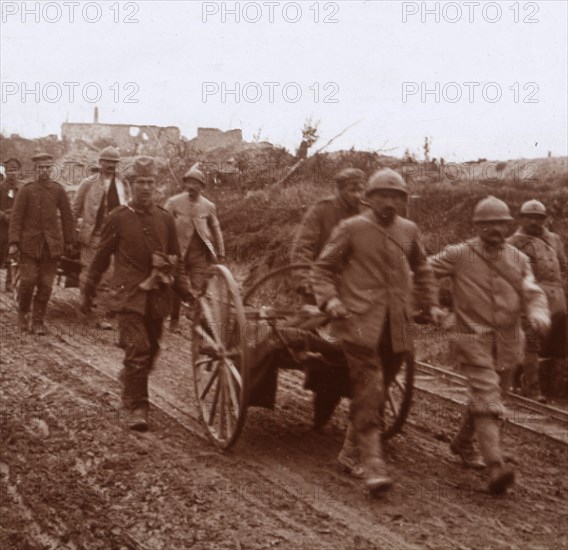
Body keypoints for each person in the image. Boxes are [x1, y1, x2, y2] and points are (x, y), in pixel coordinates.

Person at [311, 168, 443, 494]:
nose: (389, 202)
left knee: (379, 390)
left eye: (396, 196)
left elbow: (422, 269)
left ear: (403, 201)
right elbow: (322, 269)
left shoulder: (409, 230)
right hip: (357, 324)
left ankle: (347, 452)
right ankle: (373, 466)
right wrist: (330, 300)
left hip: (397, 326)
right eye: (381, 195)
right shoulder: (351, 228)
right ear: (369, 199)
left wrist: (431, 304)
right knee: (370, 390)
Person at [429, 196, 550, 494]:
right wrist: (432, 307)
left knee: (494, 397)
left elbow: (532, 291)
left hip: (509, 341)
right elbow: (422, 272)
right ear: (477, 226)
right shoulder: (459, 254)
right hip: (471, 338)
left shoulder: (519, 259)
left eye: (500, 223)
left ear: (508, 225)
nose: (495, 229)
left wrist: (538, 313)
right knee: (488, 399)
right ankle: (495, 466)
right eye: (488, 224)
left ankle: (461, 443)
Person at [80, 156, 193, 431]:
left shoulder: (165, 220)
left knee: (152, 348)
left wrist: (189, 294)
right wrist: (88, 289)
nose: (145, 188)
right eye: (140, 182)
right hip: (128, 296)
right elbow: (100, 258)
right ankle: (138, 406)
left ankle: (130, 380)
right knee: (138, 348)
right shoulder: (117, 218)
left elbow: (175, 261)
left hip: (156, 297)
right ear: (130, 185)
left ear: (156, 185)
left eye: (150, 182)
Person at [291, 167, 367, 463]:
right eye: (352, 189)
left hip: (358, 293)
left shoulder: (368, 215)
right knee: (329, 351)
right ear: (339, 189)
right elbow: (303, 248)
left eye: (361, 188)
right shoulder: (321, 212)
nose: (357, 195)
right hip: (321, 290)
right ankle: (324, 405)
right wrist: (305, 280)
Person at [8, 153, 75, 334]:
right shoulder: (26, 190)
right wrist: (14, 242)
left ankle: (38, 320)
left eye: (47, 167)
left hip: (51, 246)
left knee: (46, 285)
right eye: (41, 168)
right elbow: (16, 218)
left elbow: (68, 217)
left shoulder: (58, 190)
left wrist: (69, 241)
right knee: (28, 281)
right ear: (35, 169)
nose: (44, 171)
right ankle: (23, 313)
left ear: (51, 169)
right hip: (29, 245)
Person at [508, 200, 567, 401]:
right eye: (529, 217)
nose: (534, 221)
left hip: (558, 301)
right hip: (530, 300)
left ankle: (554, 387)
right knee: (531, 343)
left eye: (539, 218)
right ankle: (532, 389)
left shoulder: (555, 240)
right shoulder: (513, 243)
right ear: (522, 218)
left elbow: (563, 267)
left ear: (545, 219)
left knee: (558, 346)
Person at [163, 166, 224, 333]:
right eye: (189, 182)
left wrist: (221, 252)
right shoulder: (174, 202)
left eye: (196, 184)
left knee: (198, 287)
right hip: (178, 252)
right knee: (177, 286)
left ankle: (196, 325)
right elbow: (162, 223)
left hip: (199, 254)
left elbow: (216, 228)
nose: (192, 186)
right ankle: (174, 321)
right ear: (185, 184)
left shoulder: (208, 206)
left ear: (202, 187)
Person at [73, 146, 130, 288]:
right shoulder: (88, 183)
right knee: (89, 269)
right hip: (93, 234)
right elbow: (75, 208)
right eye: (107, 162)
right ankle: (84, 304)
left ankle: (102, 305)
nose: (111, 165)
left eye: (114, 162)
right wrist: (71, 233)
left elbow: (128, 206)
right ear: (100, 163)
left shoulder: (122, 183)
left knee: (110, 273)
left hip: (115, 235)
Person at [0, 158, 24, 292]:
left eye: (15, 170)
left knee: (13, 253)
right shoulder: (0, 187)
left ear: (19, 171)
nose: (12, 173)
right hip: (1, 226)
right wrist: (4, 216)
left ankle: (10, 282)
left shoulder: (23, 188)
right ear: (6, 171)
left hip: (16, 227)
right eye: (9, 170)